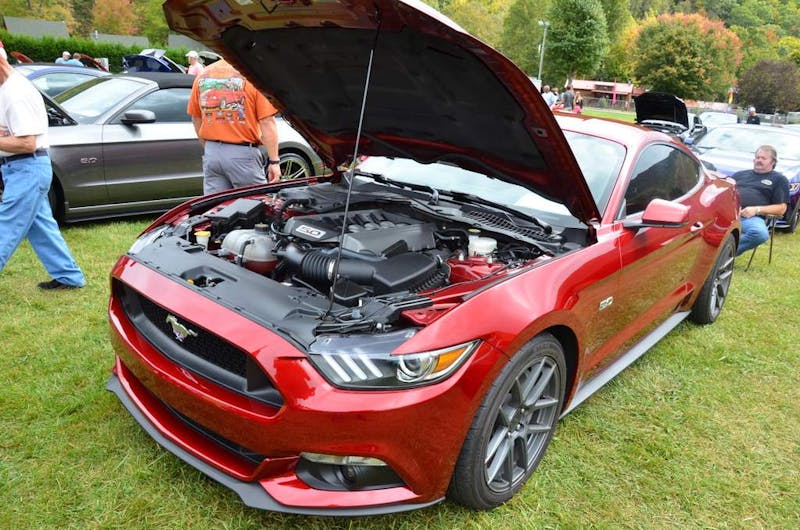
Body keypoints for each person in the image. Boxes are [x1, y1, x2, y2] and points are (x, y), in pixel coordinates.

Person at [0, 41, 86, 290]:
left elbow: (27, 143)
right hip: (20, 168)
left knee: (6, 225)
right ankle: (69, 276)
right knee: (41, 227)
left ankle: (68, 275)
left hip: (28, 167)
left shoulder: (16, 94)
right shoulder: (5, 88)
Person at [187, 58, 281, 193]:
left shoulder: (203, 75)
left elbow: (196, 119)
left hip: (212, 153)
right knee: (255, 205)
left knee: (216, 208)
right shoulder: (252, 76)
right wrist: (274, 162)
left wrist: (209, 147)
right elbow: (267, 122)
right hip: (242, 155)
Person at [733, 145, 789, 256]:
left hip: (749, 218)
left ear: (773, 161)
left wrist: (756, 209)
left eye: (763, 158)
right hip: (726, 213)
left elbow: (782, 208)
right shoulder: (739, 175)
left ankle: (724, 255)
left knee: (760, 234)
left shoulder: (779, 179)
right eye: (757, 157)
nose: (759, 160)